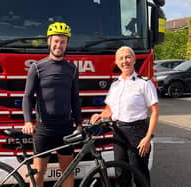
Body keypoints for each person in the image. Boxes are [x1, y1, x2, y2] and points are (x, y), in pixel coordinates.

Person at [22, 22, 81, 187]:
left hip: (65, 127)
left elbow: (75, 98)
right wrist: (28, 121)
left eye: (63, 42)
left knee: (67, 170)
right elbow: (27, 96)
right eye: (56, 41)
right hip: (44, 128)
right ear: (49, 41)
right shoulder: (37, 67)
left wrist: (79, 123)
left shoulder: (72, 69)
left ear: (67, 44)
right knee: (38, 171)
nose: (59, 45)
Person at [90, 46, 159, 186]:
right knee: (120, 173)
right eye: (121, 58)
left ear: (134, 60)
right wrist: (100, 115)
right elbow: (109, 109)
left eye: (128, 57)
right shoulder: (115, 85)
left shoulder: (144, 83)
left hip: (137, 132)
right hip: (118, 132)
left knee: (139, 173)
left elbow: (155, 111)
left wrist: (147, 137)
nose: (124, 61)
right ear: (116, 62)